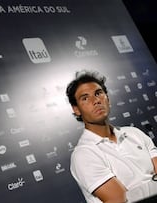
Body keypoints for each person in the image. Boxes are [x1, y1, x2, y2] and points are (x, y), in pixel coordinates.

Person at [65, 70, 157, 203]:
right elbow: (122, 200)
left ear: (108, 98)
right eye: (85, 98)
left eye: (98, 93)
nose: (95, 100)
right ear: (76, 109)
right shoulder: (83, 154)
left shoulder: (134, 132)